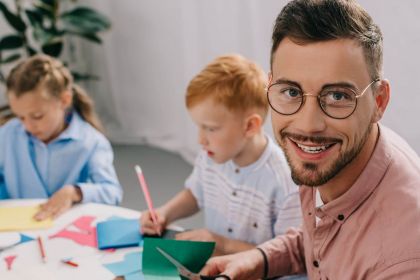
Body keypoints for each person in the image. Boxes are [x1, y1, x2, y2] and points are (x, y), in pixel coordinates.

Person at [200, 0, 420, 279]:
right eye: (291, 92)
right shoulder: (335, 157)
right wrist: (258, 259)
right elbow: (321, 237)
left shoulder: (403, 259)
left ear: (379, 101)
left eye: (338, 96)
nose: (308, 125)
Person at [140, 54, 302, 257]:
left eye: (210, 128)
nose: (201, 139)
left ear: (250, 126)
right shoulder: (211, 155)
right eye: (199, 127)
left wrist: (222, 245)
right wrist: (164, 214)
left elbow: (287, 256)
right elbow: (196, 193)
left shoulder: (285, 182)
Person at [0, 54, 123, 220]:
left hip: (66, 230)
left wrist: (75, 192)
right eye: (20, 117)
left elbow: (112, 193)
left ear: (64, 100)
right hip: (15, 231)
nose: (28, 126)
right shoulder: (8, 133)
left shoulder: (92, 142)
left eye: (37, 116)